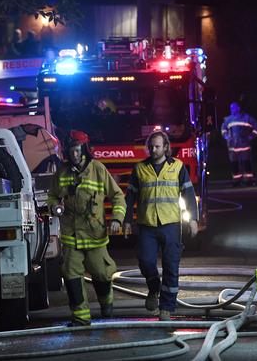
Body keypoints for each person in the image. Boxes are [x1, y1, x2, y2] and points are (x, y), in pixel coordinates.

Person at [47, 130, 126, 326]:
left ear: (84, 150)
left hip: (94, 235)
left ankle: (106, 305)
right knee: (72, 276)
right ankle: (81, 316)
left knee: (101, 273)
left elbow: (117, 196)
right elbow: (52, 196)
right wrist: (54, 207)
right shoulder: (62, 172)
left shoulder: (97, 169)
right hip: (71, 236)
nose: (74, 154)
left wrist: (117, 218)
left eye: (78, 150)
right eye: (71, 150)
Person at [123, 131, 198, 321]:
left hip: (171, 224)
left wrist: (193, 220)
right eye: (151, 146)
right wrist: (127, 220)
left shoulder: (178, 167)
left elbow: (189, 194)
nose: (153, 149)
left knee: (171, 266)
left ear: (166, 147)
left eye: (157, 146)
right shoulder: (140, 168)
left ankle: (167, 307)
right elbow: (130, 197)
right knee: (146, 261)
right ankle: (153, 287)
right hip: (147, 224)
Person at [221, 101, 257, 186]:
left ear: (238, 108)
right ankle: (236, 181)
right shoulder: (228, 119)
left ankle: (249, 181)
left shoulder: (246, 118)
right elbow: (223, 130)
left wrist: (251, 136)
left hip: (244, 146)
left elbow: (256, 127)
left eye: (234, 107)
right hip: (232, 147)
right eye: (231, 108)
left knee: (246, 163)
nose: (232, 109)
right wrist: (227, 137)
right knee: (234, 165)